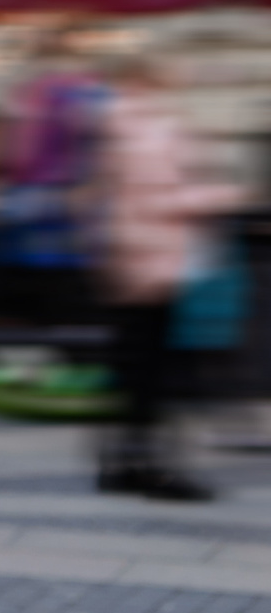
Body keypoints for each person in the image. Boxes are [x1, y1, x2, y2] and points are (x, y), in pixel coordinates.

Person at [94, 53, 241, 501]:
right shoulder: (145, 129)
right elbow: (160, 199)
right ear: (148, 79)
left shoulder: (118, 125)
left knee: (136, 367)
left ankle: (121, 463)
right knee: (154, 370)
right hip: (152, 261)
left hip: (129, 259)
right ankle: (151, 469)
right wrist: (225, 194)